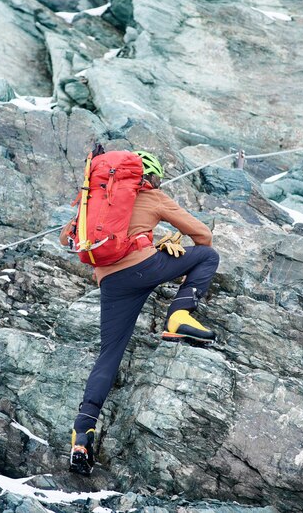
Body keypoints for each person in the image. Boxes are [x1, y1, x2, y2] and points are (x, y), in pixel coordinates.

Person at [59, 150, 219, 476]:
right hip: (145, 268)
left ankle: (81, 436)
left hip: (111, 283)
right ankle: (179, 316)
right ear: (148, 177)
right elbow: (203, 235)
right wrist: (156, 244)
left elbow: (67, 237)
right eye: (156, 178)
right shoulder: (154, 196)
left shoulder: (96, 202)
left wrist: (147, 241)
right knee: (207, 256)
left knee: (109, 355)